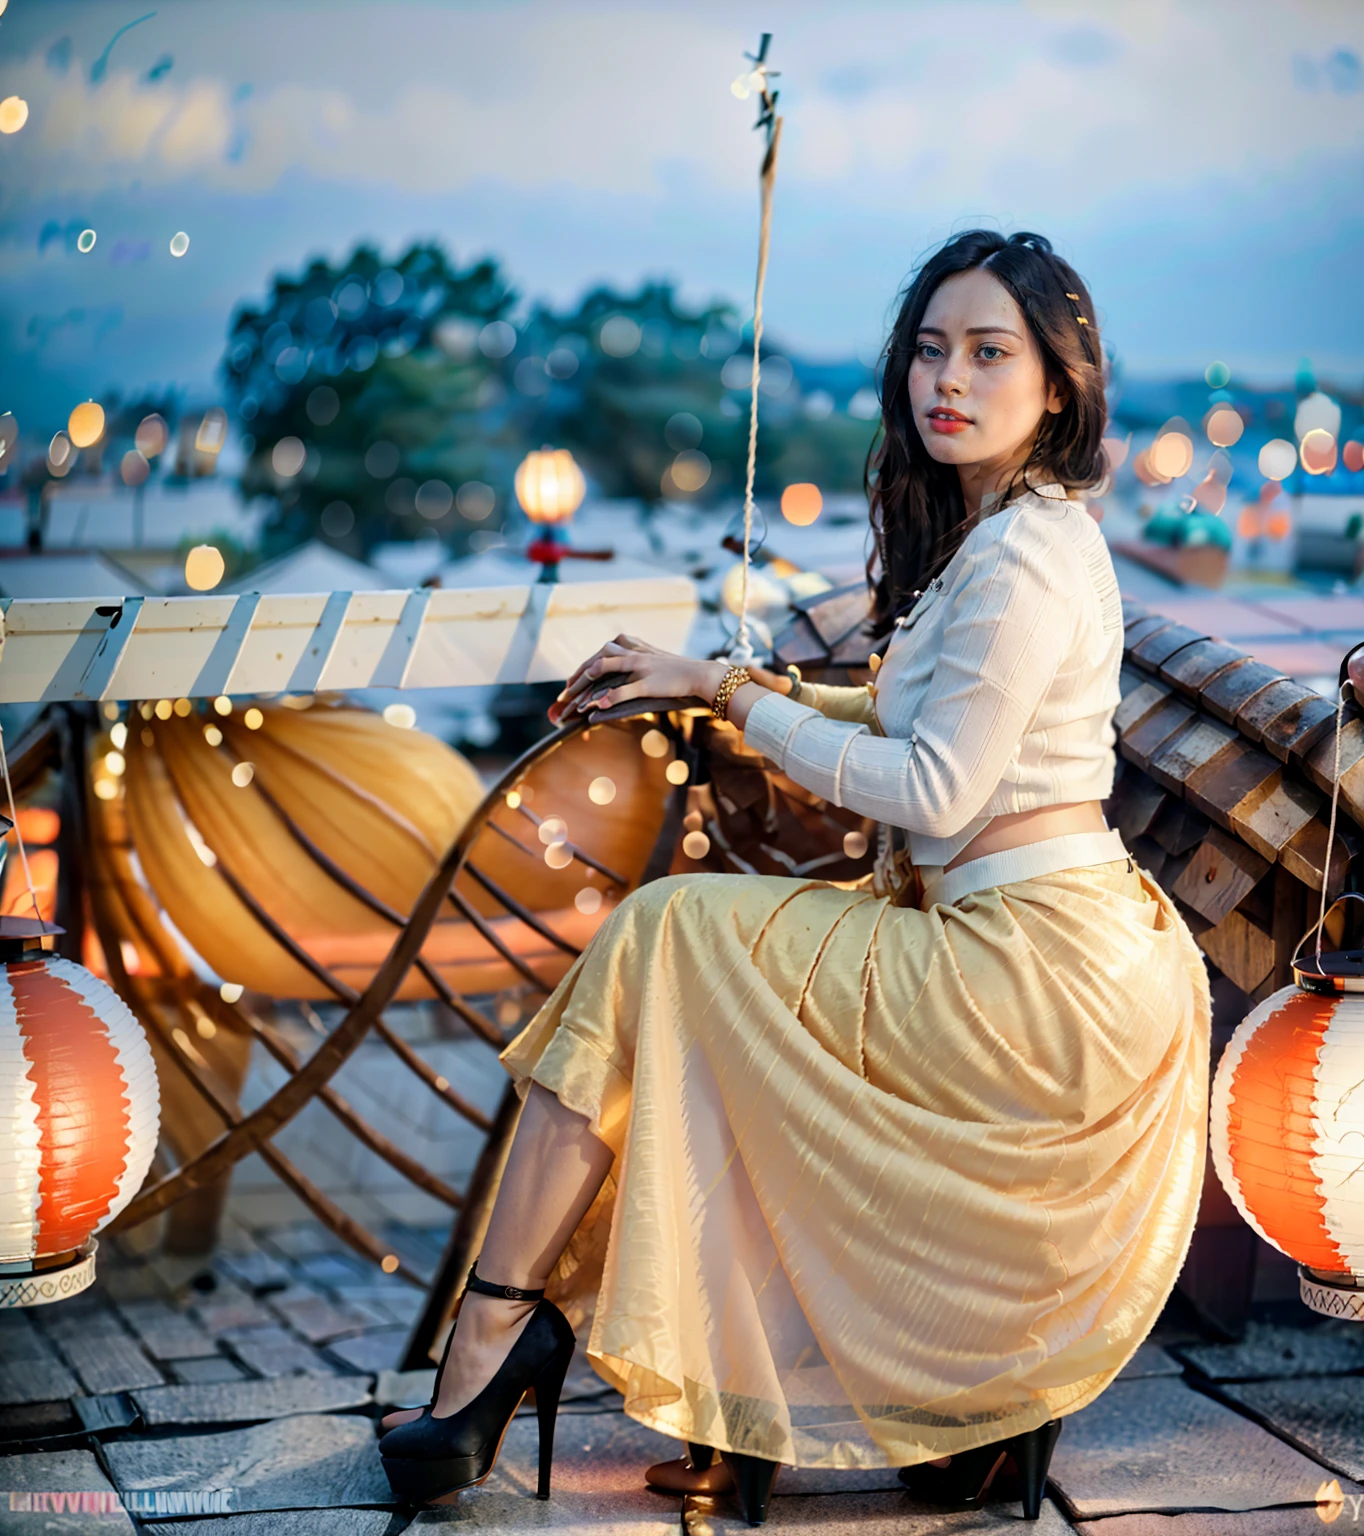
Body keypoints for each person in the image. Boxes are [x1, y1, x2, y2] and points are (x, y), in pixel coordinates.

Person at [376, 229, 1212, 1526]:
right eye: (932, 348)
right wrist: (726, 684)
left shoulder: (1030, 552)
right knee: (690, 971)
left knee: (665, 937)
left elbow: (933, 784)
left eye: (992, 352)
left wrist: (724, 692)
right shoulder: (1003, 539)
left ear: (1059, 383)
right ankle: (646, 1379)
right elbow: (896, 709)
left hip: (1031, 981)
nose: (951, 377)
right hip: (1004, 948)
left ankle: (492, 1347)